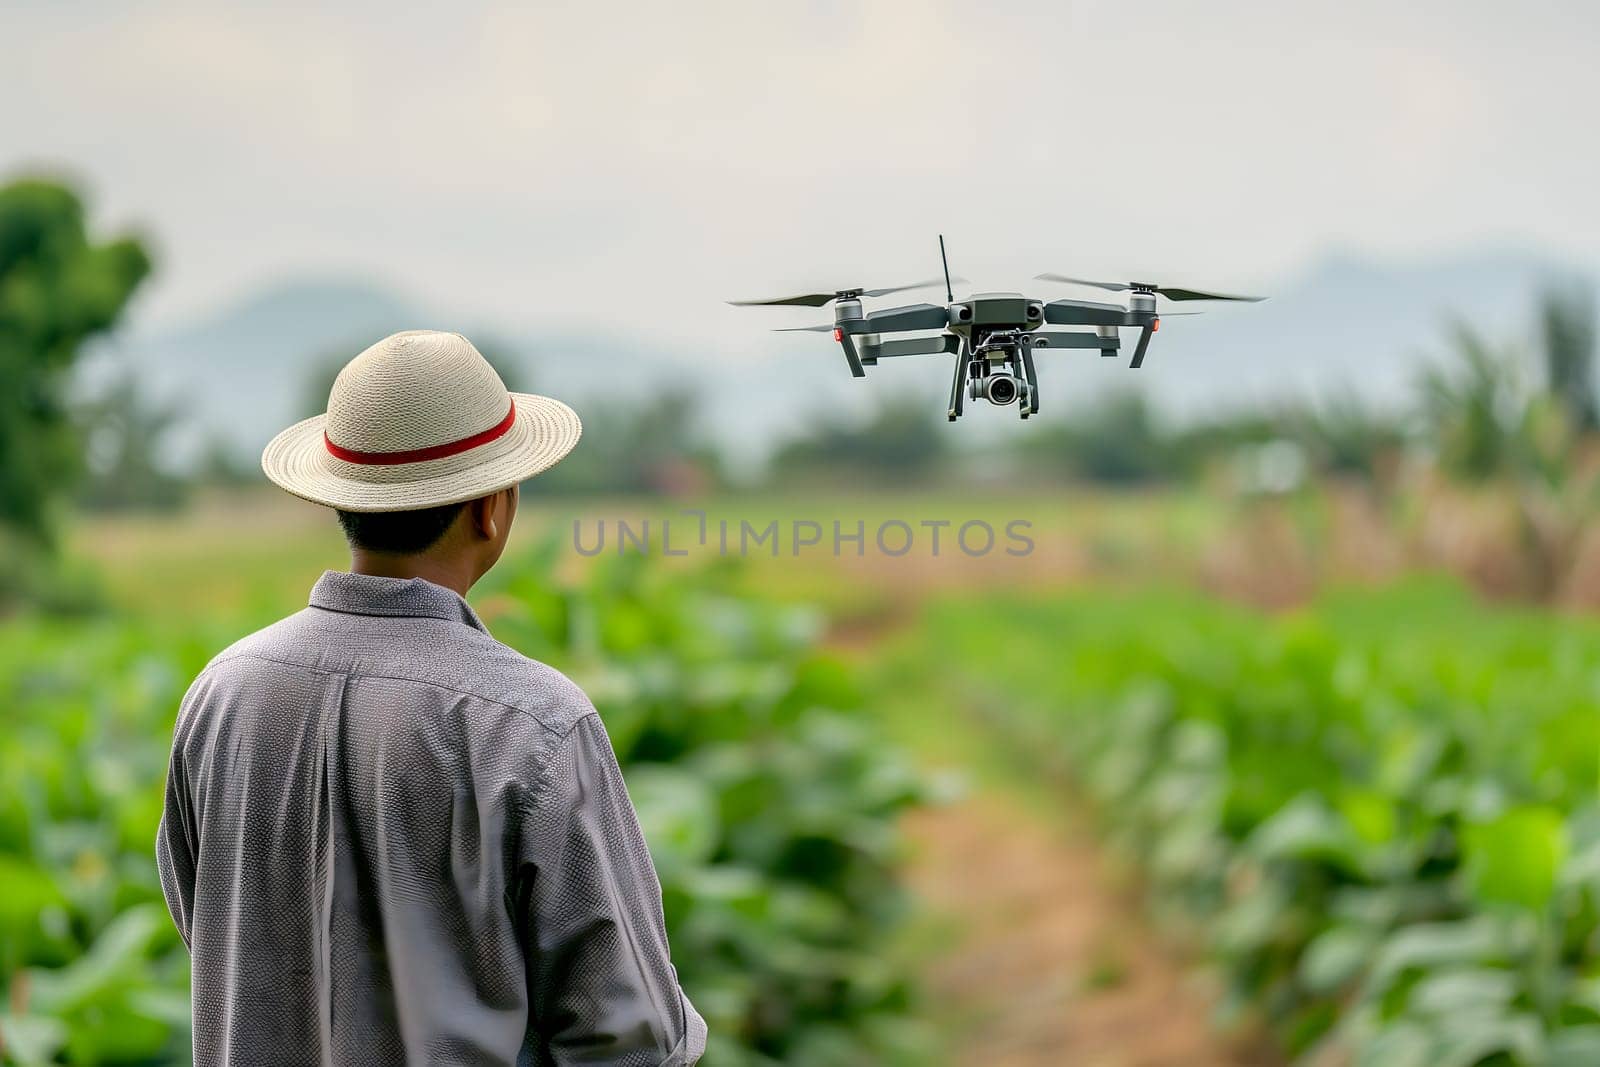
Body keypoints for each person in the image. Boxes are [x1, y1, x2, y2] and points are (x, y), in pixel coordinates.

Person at [156, 330, 705, 1065]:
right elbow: (628, 1035)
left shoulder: (220, 695)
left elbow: (213, 928)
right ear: (489, 510)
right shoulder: (533, 725)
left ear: (342, 500)